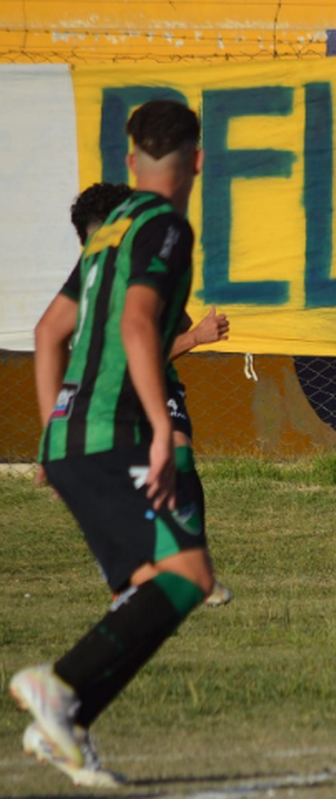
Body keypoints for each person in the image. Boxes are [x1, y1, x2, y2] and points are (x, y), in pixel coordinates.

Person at [11, 99, 214, 788]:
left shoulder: (109, 229)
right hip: (116, 430)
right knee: (189, 577)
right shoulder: (164, 226)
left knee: (152, 588)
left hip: (70, 434)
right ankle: (58, 684)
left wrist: (49, 431)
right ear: (198, 161)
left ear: (130, 162)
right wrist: (162, 428)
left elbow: (47, 332)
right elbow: (135, 324)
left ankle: (62, 720)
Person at [60, 182, 234, 608]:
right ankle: (128, 581)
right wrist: (196, 337)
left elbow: (161, 341)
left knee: (178, 454)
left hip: (156, 385)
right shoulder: (89, 286)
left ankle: (198, 568)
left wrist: (188, 332)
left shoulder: (156, 274)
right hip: (105, 393)